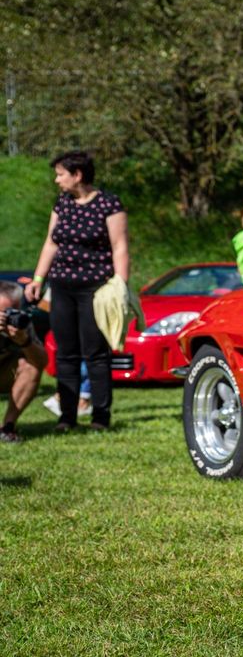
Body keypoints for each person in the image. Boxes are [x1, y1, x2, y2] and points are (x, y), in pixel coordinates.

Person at [25, 151, 128, 431]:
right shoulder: (63, 203)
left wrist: (121, 285)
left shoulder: (108, 204)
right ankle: (67, 417)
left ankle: (100, 417)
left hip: (95, 289)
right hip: (61, 287)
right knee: (65, 353)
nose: (57, 180)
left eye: (61, 174)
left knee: (95, 353)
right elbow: (51, 243)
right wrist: (38, 279)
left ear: (78, 175)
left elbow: (119, 246)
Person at [1, 281, 49, 443]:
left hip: (6, 372)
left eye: (13, 311)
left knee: (31, 365)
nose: (10, 317)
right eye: (4, 313)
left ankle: (7, 428)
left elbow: (42, 362)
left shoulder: (21, 322)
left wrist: (24, 341)